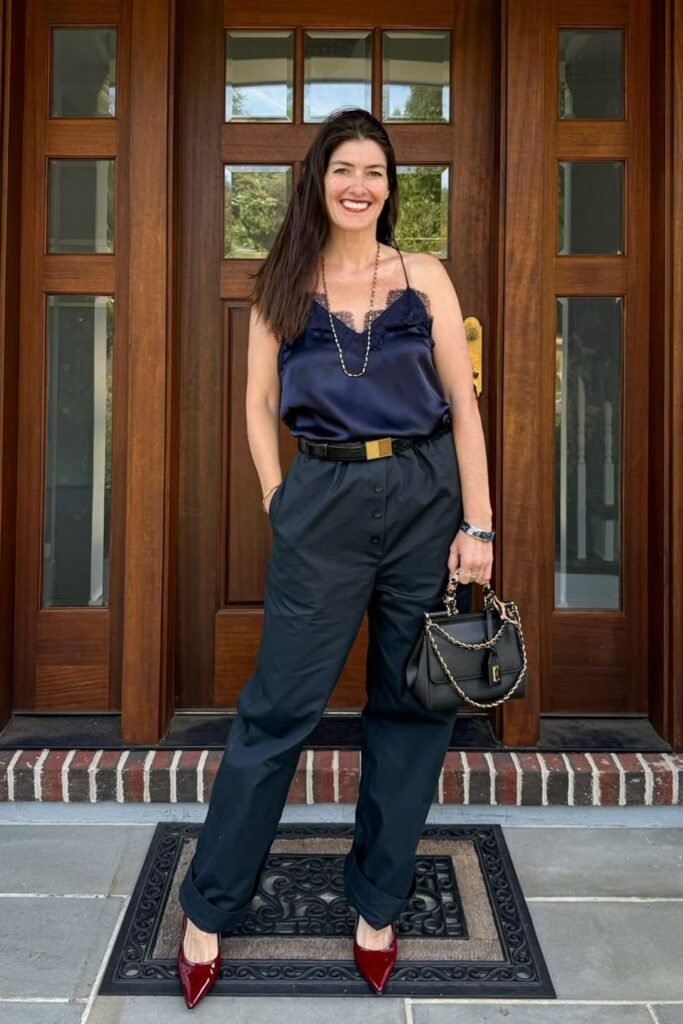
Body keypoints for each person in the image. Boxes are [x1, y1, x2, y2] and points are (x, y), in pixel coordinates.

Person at [176, 106, 494, 1008]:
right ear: (318, 180)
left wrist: (478, 527)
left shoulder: (424, 275)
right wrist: (280, 495)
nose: (361, 185)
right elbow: (255, 399)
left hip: (426, 497)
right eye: (344, 168)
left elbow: (462, 409)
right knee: (277, 710)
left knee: (412, 707)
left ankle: (378, 906)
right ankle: (208, 908)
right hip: (322, 499)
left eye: (376, 172)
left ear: (390, 189)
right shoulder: (281, 281)